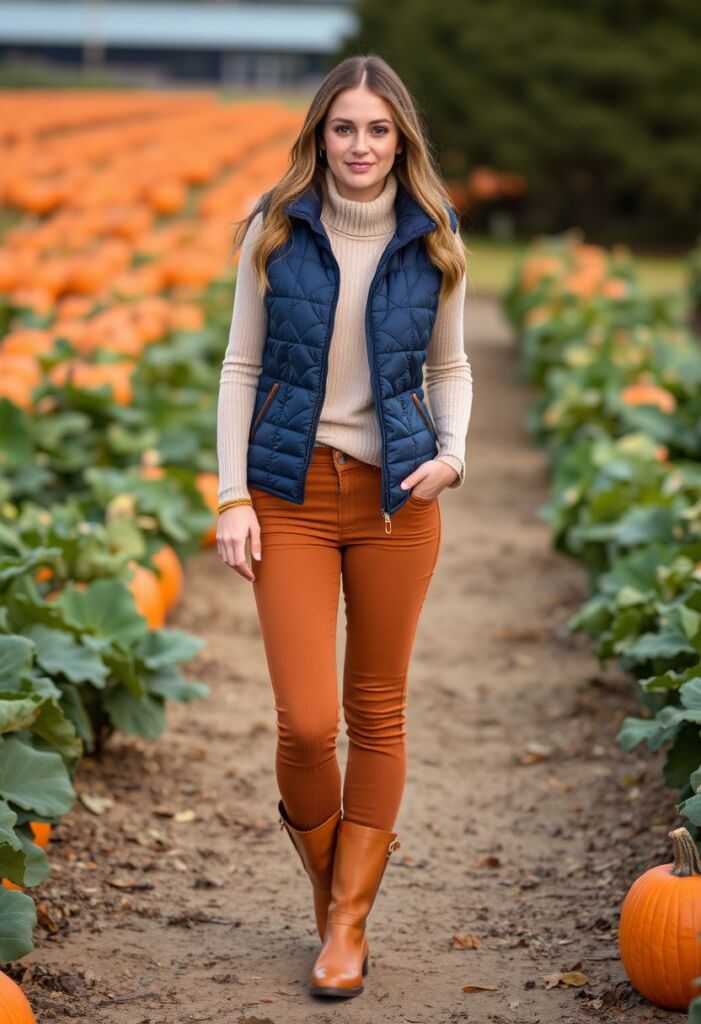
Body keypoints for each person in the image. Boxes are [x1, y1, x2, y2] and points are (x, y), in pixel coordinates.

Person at [216, 53, 473, 1000]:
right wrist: (231, 495)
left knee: (376, 712)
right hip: (289, 491)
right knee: (305, 721)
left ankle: (348, 926)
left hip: (397, 498)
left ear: (398, 137)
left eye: (376, 129)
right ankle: (334, 892)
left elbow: (449, 366)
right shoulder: (274, 228)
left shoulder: (433, 232)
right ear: (318, 134)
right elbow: (239, 367)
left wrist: (453, 454)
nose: (359, 146)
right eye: (342, 127)